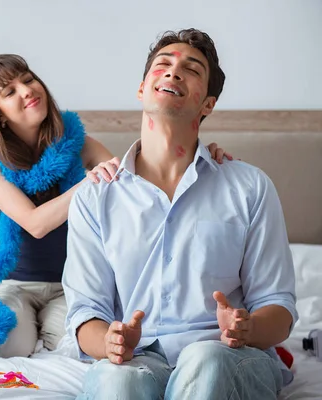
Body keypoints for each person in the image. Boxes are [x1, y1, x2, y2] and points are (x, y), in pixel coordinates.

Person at [62, 28, 298, 399]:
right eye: (163, 64)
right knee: (117, 379)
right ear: (142, 89)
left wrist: (246, 328)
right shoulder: (94, 197)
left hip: (227, 354)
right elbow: (85, 311)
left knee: (207, 360)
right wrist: (109, 342)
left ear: (207, 104)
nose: (173, 72)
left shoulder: (249, 187)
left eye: (191, 69)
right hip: (138, 358)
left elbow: (279, 308)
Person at [0, 53, 232, 358]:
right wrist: (89, 182)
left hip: (70, 284)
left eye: (29, 79)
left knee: (77, 346)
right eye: (10, 92)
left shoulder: (81, 145)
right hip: (16, 281)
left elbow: (137, 188)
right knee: (4, 347)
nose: (27, 90)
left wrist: (200, 157)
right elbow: (34, 223)